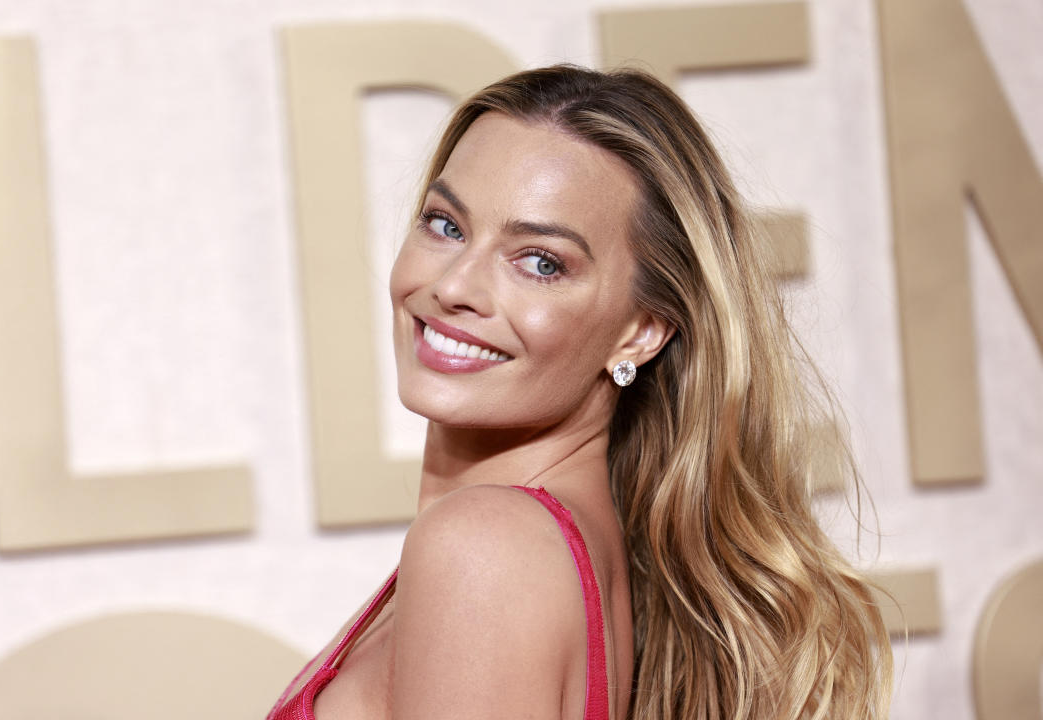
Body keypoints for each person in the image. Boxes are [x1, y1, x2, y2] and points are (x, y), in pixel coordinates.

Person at [267, 65, 892, 720]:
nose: (455, 286)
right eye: (446, 225)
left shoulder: (484, 548)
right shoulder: (563, 544)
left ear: (641, 331)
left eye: (540, 261)